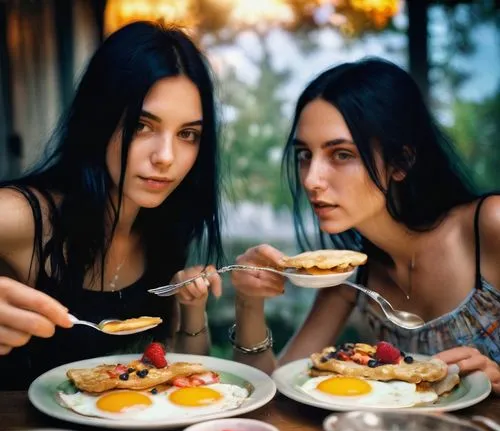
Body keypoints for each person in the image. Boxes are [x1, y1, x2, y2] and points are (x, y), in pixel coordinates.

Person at [230, 58, 500, 393]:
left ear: (401, 161)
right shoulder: (351, 278)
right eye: (304, 155)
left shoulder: (489, 226)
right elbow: (273, 391)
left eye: (341, 155)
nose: (312, 179)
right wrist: (248, 302)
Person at [0, 21, 224, 389]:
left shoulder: (162, 228)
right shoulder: (26, 215)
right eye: (141, 126)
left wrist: (192, 307)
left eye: (188, 134)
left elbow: (174, 374)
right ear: (100, 119)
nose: (166, 157)